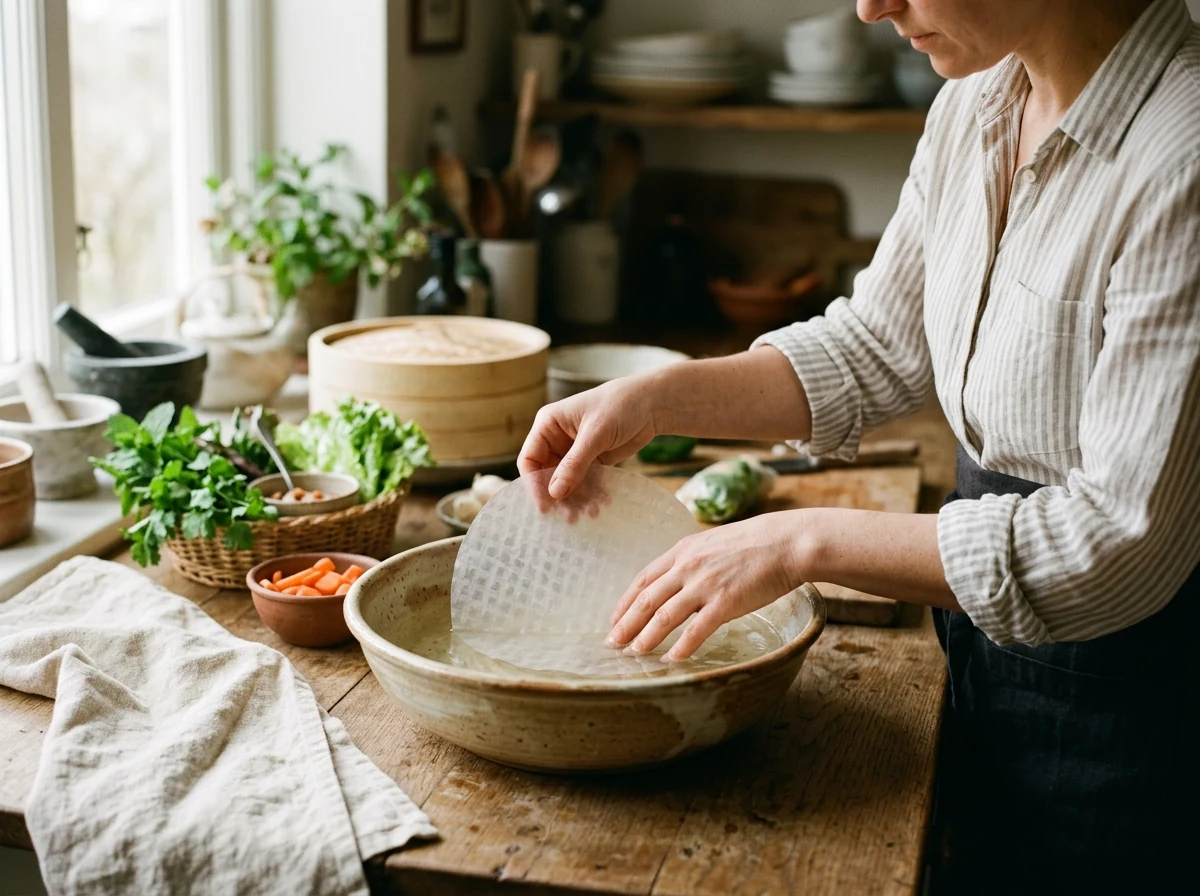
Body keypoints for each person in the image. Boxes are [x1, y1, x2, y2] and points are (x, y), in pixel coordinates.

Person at [518, 0, 1199, 890]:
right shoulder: (980, 102)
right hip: (983, 641)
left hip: (1136, 703)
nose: (869, 6)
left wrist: (800, 541)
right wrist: (657, 396)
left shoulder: (1180, 156)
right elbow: (879, 343)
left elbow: (1116, 546)